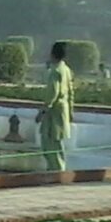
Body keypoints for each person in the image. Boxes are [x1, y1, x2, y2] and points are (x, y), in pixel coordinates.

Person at [37, 41, 74, 173]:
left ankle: (56, 173)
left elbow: (53, 93)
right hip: (62, 111)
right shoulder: (66, 70)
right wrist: (71, 112)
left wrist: (42, 111)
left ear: (52, 54)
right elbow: (71, 93)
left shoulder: (55, 71)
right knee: (57, 145)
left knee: (49, 145)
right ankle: (57, 171)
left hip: (53, 114)